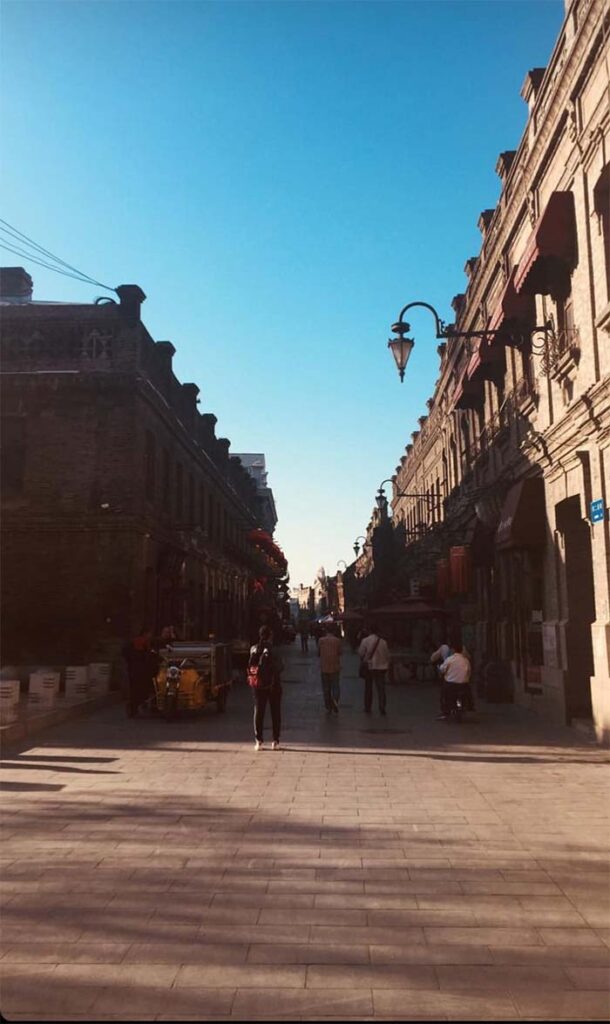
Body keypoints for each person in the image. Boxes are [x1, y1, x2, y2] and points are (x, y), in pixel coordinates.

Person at [249, 625, 284, 750]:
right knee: (275, 712)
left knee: (259, 712)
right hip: (274, 684)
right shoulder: (274, 649)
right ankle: (275, 741)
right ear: (270, 635)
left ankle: (259, 741)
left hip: (258, 685)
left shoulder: (254, 648)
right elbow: (280, 667)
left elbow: (251, 666)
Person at [122, 627, 155, 717]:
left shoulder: (132, 643)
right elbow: (146, 656)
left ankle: (134, 708)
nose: (150, 636)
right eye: (149, 634)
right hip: (141, 670)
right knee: (141, 689)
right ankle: (136, 706)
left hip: (134, 669)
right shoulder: (143, 643)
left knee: (134, 689)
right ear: (145, 633)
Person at [358, 624, 390, 715]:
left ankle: (368, 707)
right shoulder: (383, 642)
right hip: (381, 667)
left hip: (369, 666)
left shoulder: (365, 641)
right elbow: (387, 655)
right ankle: (382, 707)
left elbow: (360, 653)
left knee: (368, 687)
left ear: (369, 631)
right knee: (381, 688)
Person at [437, 642, 472, 719]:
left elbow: (442, 669)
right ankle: (470, 706)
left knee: (443, 695)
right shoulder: (466, 660)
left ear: (453, 650)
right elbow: (469, 672)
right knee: (468, 692)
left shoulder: (450, 659)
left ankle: (445, 712)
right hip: (464, 685)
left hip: (450, 685)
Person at [318, 623, 342, 713]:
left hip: (324, 667)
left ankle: (328, 706)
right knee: (335, 686)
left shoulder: (321, 640)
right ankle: (335, 701)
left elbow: (318, 652)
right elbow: (340, 652)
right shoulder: (337, 641)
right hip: (335, 667)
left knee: (326, 688)